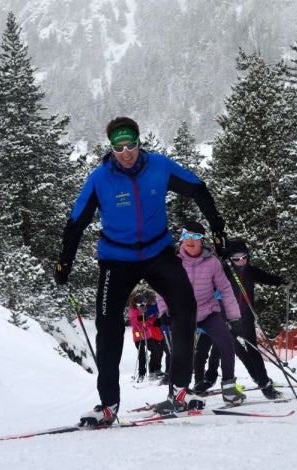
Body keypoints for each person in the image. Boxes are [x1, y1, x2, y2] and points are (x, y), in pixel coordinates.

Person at [54, 117, 228, 426]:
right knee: (107, 325)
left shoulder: (159, 167)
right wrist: (64, 261)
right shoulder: (99, 179)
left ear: (139, 142)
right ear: (112, 148)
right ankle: (108, 405)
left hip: (158, 252)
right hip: (116, 258)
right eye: (119, 147)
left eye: (131, 144)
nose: (126, 152)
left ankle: (179, 390)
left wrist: (217, 228)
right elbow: (76, 221)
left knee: (185, 307)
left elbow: (198, 189)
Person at [156, 221, 246, 407]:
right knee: (180, 352)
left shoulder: (212, 262)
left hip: (207, 311)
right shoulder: (173, 260)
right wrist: (164, 311)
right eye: (186, 236)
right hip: (181, 313)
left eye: (195, 236)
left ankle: (229, 388)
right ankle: (176, 394)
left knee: (226, 340)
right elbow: (161, 287)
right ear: (181, 238)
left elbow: (225, 289)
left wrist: (234, 316)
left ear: (201, 240)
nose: (190, 240)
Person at [201, 238, 291, 399]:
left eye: (244, 257)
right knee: (219, 349)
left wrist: (281, 281)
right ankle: (209, 378)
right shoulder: (224, 273)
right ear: (230, 259)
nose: (241, 261)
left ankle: (264, 384)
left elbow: (266, 277)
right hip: (227, 318)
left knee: (253, 351)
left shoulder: (251, 271)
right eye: (236, 259)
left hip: (246, 318)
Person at [128, 291, 164, 382]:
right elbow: (133, 321)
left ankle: (154, 370)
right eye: (143, 302)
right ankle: (141, 373)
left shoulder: (144, 309)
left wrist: (152, 320)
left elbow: (148, 322)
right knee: (142, 354)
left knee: (155, 351)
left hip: (147, 335)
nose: (145, 303)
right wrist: (140, 320)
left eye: (145, 302)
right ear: (138, 302)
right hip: (138, 335)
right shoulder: (133, 310)